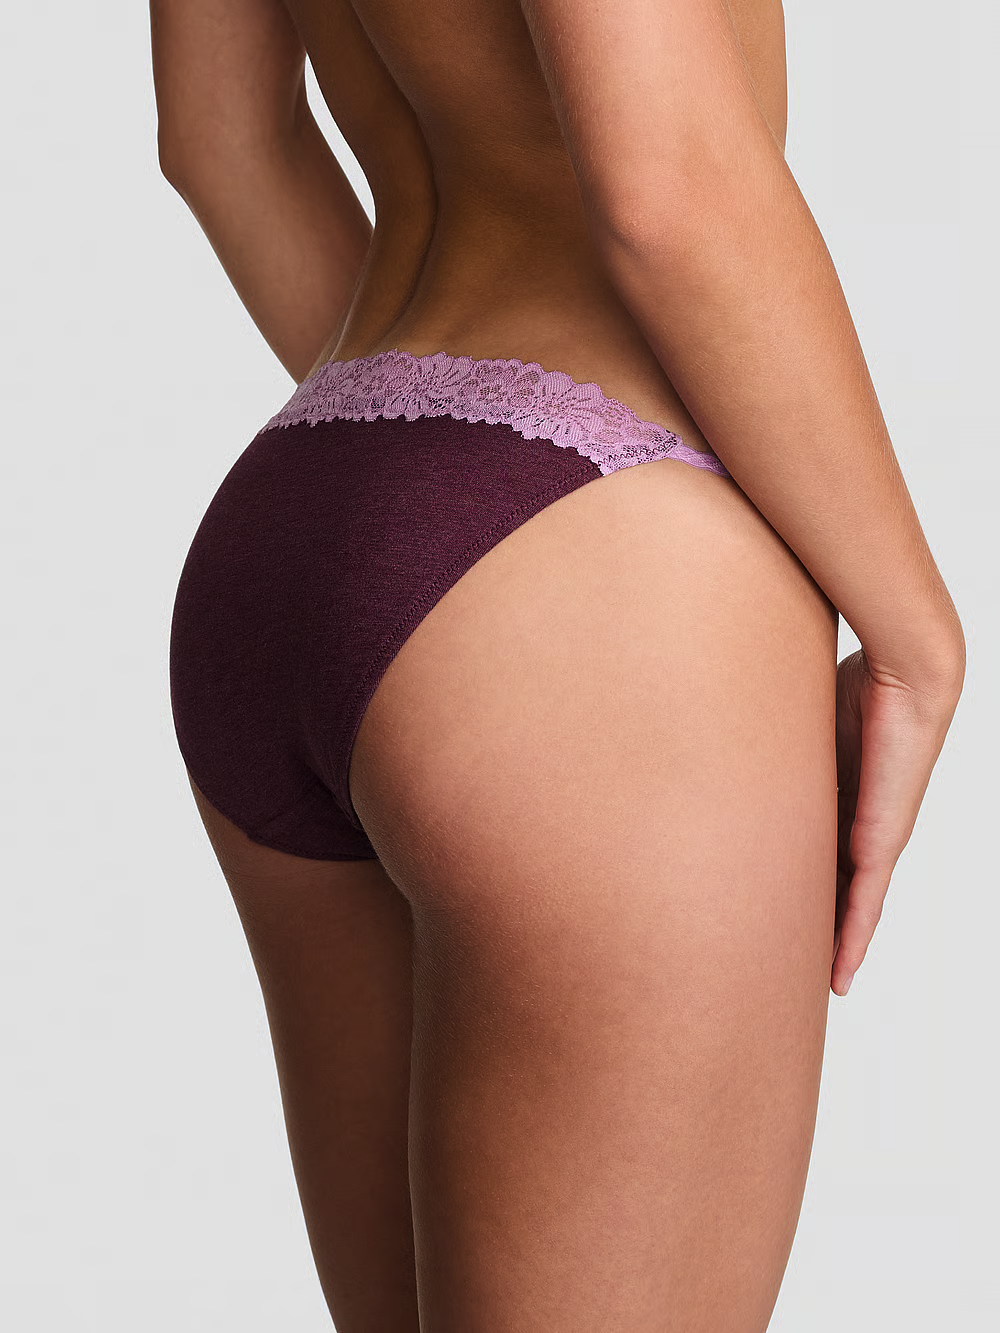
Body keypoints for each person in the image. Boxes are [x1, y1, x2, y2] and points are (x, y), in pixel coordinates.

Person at [151, 0, 966, 1327]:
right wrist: (915, 640)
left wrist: (423, 501)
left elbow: (219, 143)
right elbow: (664, 183)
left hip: (305, 497)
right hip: (597, 559)